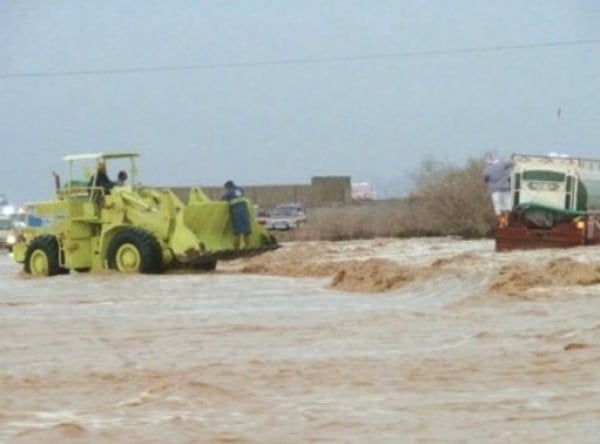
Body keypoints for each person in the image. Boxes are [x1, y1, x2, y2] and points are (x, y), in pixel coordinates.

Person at [482, 153, 514, 226]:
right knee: (507, 206)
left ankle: (501, 221)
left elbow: (485, 179)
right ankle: (506, 219)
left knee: (498, 207)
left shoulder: (486, 170)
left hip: (495, 190)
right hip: (505, 189)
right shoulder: (501, 164)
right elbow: (512, 163)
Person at [221, 180, 251, 249]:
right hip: (245, 211)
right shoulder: (240, 189)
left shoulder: (229, 192)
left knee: (237, 231)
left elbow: (222, 199)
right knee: (246, 230)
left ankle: (236, 248)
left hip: (237, 212)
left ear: (227, 186)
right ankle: (247, 246)